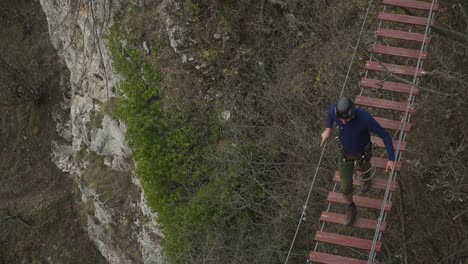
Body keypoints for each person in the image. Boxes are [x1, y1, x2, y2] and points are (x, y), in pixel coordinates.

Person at [320, 96, 396, 226]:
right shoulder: (335, 112)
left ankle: (366, 179)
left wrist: (391, 159)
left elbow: (385, 135)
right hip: (345, 154)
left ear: (353, 113)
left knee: (365, 169)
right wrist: (328, 129)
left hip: (363, 153)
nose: (344, 122)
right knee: (345, 187)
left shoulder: (364, 118)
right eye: (341, 119)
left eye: (347, 119)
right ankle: (351, 206)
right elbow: (330, 112)